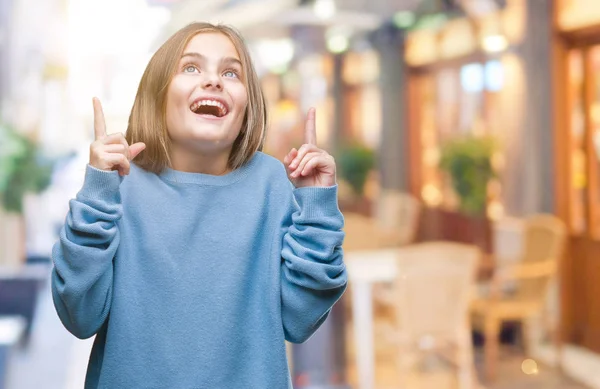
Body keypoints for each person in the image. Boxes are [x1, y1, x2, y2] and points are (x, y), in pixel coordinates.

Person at [51, 22, 347, 388]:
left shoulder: (274, 183)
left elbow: (299, 319)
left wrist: (316, 207)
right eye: (191, 67)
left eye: (230, 72)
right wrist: (97, 193)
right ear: (157, 94)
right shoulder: (118, 184)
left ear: (247, 106)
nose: (213, 81)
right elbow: (79, 315)